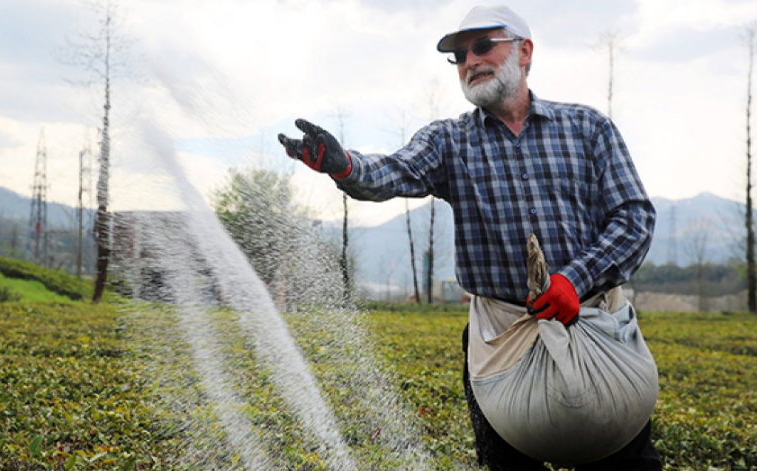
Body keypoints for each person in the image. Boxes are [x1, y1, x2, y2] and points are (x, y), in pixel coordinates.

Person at [278, 4, 660, 470]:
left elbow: (634, 217)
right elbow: (395, 171)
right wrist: (345, 166)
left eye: (482, 46)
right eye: (459, 56)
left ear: (525, 51)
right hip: (501, 339)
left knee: (625, 461)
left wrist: (574, 281)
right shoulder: (449, 141)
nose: (469, 62)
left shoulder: (588, 128)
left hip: (594, 322)